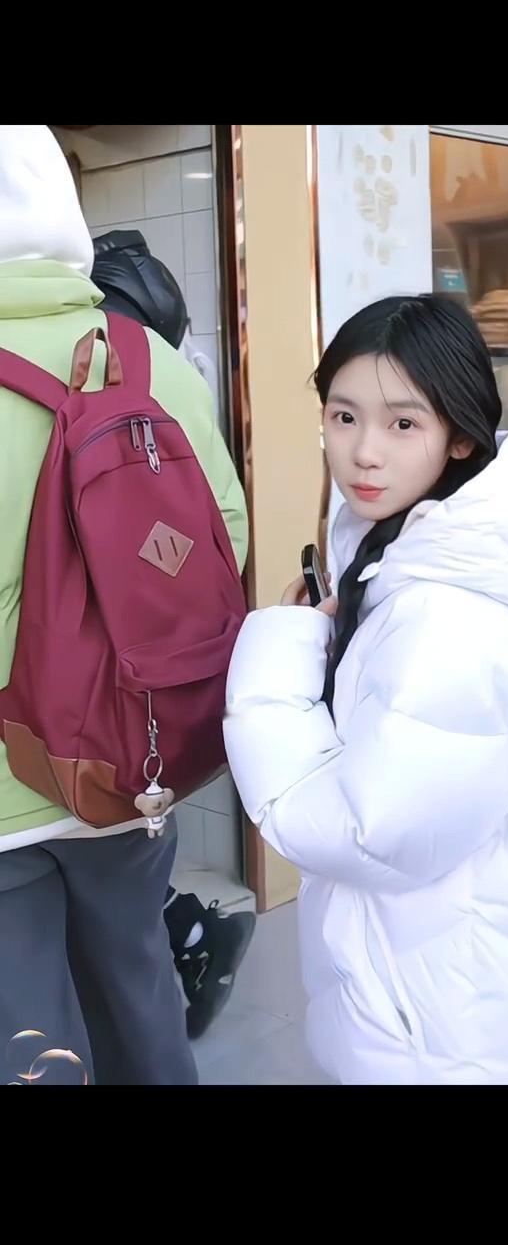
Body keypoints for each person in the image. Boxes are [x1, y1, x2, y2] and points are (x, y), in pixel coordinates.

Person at [224, 294, 508, 1086]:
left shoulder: (451, 617)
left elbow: (368, 833)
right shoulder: (412, 555)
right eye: (344, 417)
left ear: (459, 436)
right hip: (466, 989)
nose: (364, 453)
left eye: (403, 423)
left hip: (457, 1031)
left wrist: (276, 662)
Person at [0, 126, 248, 1084]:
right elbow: (223, 543)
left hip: (9, 791)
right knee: (137, 991)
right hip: (131, 759)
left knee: (30, 1031)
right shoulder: (154, 361)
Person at [91, 229, 255, 1039]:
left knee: (109, 912)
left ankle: (191, 937)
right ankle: (193, 937)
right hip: (145, 705)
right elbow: (228, 534)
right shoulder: (168, 367)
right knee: (127, 891)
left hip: (65, 725)